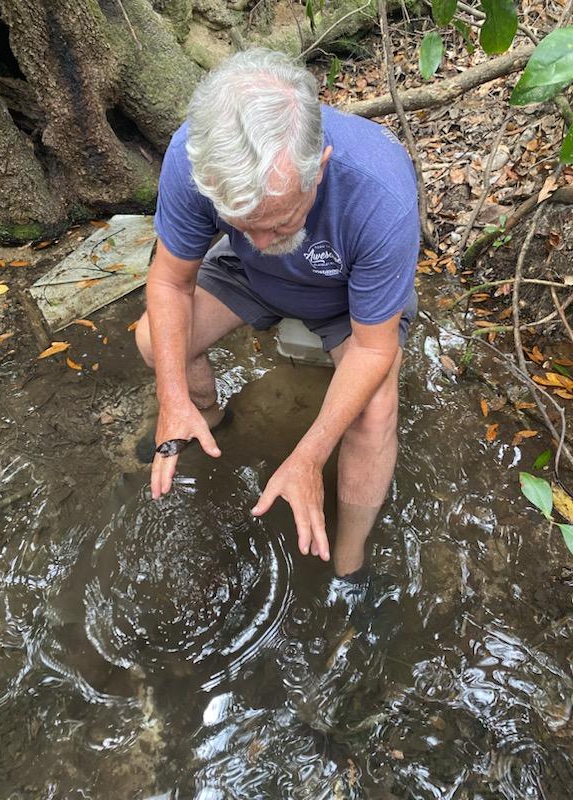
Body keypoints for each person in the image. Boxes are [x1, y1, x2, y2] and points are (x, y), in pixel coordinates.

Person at [135, 48, 420, 580]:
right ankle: (207, 423)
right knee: (156, 341)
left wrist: (310, 454)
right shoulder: (194, 155)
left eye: (279, 222)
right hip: (247, 278)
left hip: (346, 299)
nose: (263, 240)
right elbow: (172, 280)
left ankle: (350, 567)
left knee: (374, 409)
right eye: (242, 222)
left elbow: (375, 346)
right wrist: (170, 394)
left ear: (320, 169)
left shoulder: (380, 193)